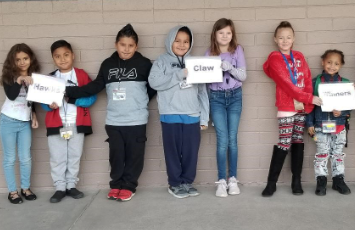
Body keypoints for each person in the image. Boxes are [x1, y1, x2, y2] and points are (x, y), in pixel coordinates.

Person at [65, 24, 155, 202]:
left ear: (136, 46)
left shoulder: (144, 64)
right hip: (114, 121)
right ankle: (116, 185)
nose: (126, 49)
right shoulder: (107, 64)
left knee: (134, 156)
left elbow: (152, 89)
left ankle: (129, 186)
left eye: (130, 45)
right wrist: (69, 91)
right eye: (123, 45)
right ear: (116, 44)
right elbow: (95, 87)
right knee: (116, 156)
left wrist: (139, 102)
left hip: (137, 120)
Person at [261, 21, 322, 197]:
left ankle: (297, 181)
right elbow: (287, 85)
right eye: (281, 37)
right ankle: (271, 183)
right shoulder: (274, 58)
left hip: (302, 106)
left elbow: (308, 78)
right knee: (284, 142)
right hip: (287, 106)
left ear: (293, 38)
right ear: (275, 39)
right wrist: (309, 98)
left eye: (288, 37)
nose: (285, 41)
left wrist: (308, 104)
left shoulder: (300, 56)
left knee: (298, 141)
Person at [148, 25, 209, 199]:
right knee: (172, 152)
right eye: (178, 40)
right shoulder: (161, 61)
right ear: (170, 41)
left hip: (192, 115)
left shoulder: (195, 63)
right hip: (170, 114)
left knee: (191, 151)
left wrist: (204, 117)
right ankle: (174, 184)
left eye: (186, 41)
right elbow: (154, 82)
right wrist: (179, 74)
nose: (182, 45)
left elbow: (202, 92)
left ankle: (187, 182)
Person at [41, 40, 97, 203]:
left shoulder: (81, 75)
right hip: (56, 125)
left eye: (66, 55)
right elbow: (43, 104)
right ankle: (59, 187)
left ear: (72, 55)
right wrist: (49, 105)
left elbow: (91, 97)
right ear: (53, 59)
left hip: (76, 123)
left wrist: (73, 100)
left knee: (74, 155)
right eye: (57, 56)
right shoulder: (50, 78)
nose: (62, 59)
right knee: (57, 157)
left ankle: (71, 185)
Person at [206, 18, 247, 197]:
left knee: (232, 139)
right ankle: (221, 180)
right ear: (215, 34)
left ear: (232, 35)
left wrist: (229, 68)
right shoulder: (209, 53)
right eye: (221, 32)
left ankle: (233, 179)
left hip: (235, 96)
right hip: (216, 98)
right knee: (222, 140)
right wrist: (213, 71)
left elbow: (243, 76)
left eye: (228, 33)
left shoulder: (237, 50)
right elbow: (205, 80)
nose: (224, 36)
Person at [306, 49, 351, 196]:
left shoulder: (345, 85)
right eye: (329, 62)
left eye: (336, 63)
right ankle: (321, 181)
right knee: (322, 153)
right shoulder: (315, 83)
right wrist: (310, 123)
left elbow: (350, 107)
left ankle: (339, 180)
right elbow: (309, 106)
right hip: (320, 126)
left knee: (338, 154)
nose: (332, 66)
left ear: (341, 65)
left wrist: (342, 112)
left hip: (339, 127)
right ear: (323, 62)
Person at [0, 43, 39, 204]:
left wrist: (34, 114)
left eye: (25, 58)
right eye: (18, 59)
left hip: (24, 122)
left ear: (30, 59)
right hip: (8, 120)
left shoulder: (34, 77)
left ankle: (25, 187)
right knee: (10, 158)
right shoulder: (9, 77)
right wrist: (20, 80)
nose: (22, 62)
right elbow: (12, 96)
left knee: (25, 157)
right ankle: (12, 191)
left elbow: (33, 99)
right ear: (13, 61)